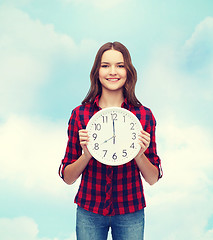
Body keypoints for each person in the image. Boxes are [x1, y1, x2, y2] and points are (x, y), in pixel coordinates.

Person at [58, 41, 162, 240]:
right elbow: (68, 177)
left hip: (130, 210)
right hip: (89, 210)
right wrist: (86, 155)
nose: (112, 71)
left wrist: (139, 154)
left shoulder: (144, 116)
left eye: (120, 65)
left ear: (128, 71)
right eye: (105, 65)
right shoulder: (80, 115)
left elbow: (152, 178)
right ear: (97, 71)